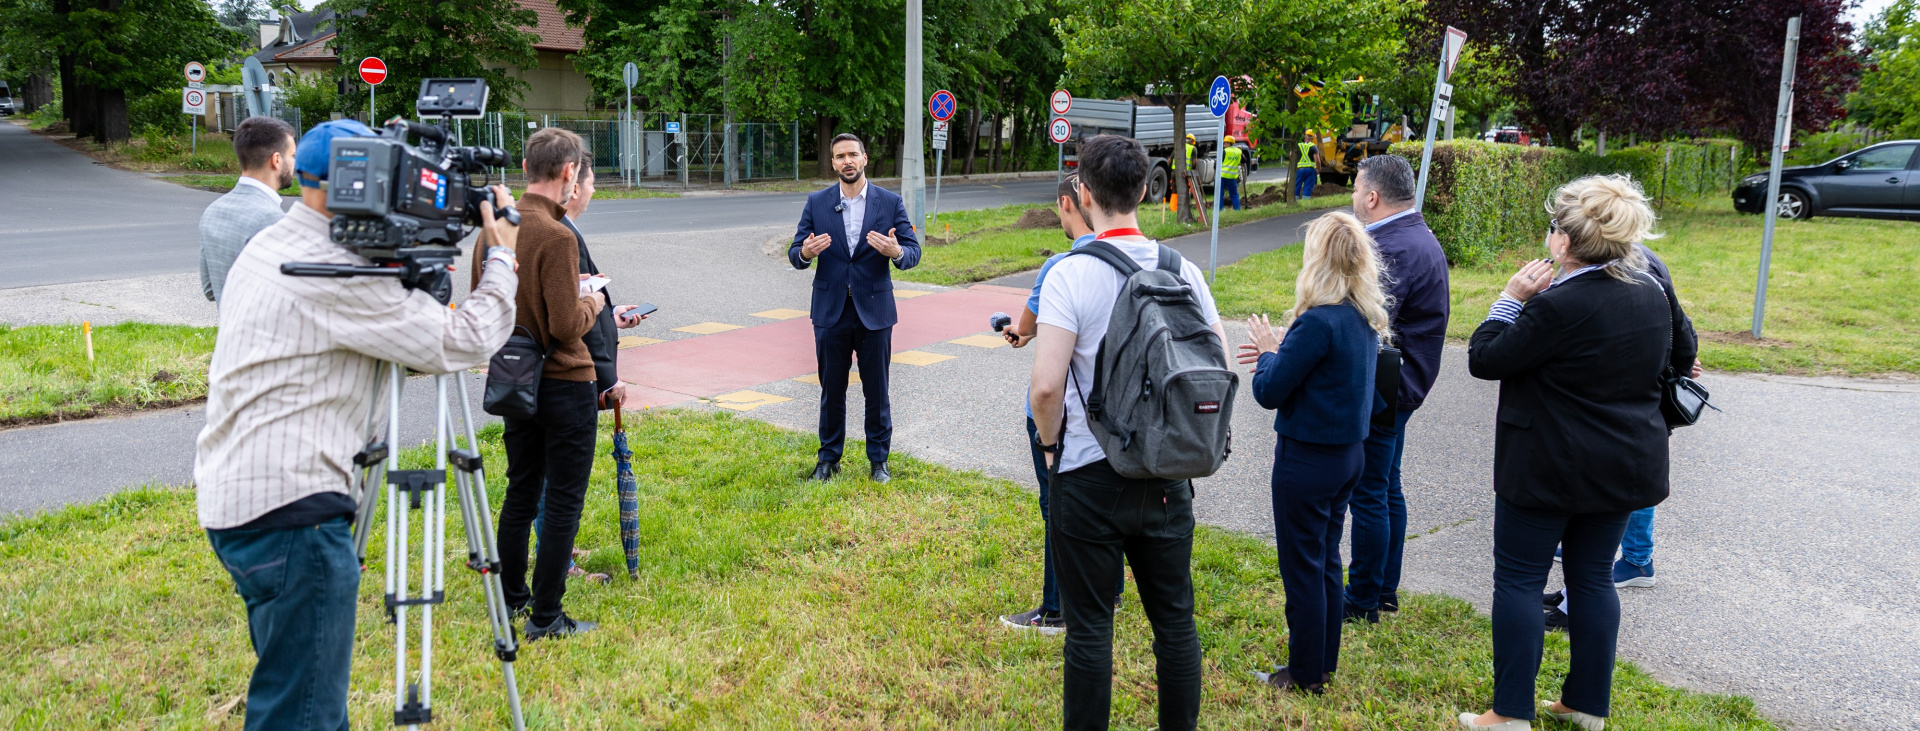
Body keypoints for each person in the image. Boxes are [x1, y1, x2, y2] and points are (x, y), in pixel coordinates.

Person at [195, 119, 521, 730]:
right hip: (291, 516)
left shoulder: (274, 242)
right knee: (304, 713)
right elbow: (466, 338)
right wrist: (500, 252)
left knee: (295, 687)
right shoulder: (335, 270)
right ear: (343, 182)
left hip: (240, 500)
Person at [1458, 174, 1697, 730]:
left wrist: (1510, 299)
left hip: (1545, 465)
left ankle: (1511, 712)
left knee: (1518, 579)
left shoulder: (1556, 304)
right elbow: (1685, 354)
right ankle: (1587, 703)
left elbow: (1486, 357)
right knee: (1591, 578)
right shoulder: (1652, 289)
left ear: (1564, 242)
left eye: (1551, 229)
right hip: (1624, 461)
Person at [1030, 134, 1226, 730]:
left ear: (1084, 195)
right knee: (1174, 621)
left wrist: (1050, 447)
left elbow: (1045, 388)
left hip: (1089, 472)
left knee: (1090, 625)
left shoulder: (1070, 273)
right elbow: (1217, 364)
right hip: (1167, 472)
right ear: (1145, 190)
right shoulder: (1183, 269)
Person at [1238, 211, 1394, 693]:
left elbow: (1270, 392)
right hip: (1348, 456)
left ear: (1316, 260)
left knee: (1303, 568)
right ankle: (1321, 662)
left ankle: (1304, 675)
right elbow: (1326, 371)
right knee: (1326, 559)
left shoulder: (1318, 321)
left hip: (1307, 461)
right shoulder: (1361, 316)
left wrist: (1268, 352)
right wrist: (1286, 349)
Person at [483, 127, 607, 642]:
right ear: (568, 173)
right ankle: (547, 615)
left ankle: (514, 598)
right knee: (561, 502)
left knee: (520, 490)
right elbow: (564, 324)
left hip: (513, 376)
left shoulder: (497, 229)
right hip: (563, 381)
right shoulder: (558, 236)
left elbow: (485, 300)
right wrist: (593, 303)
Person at [998, 173, 1122, 634]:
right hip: (1115, 413)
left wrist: (1048, 439)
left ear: (1071, 204)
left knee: (1059, 509)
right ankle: (1111, 593)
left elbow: (1028, 331)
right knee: (1112, 503)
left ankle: (1056, 609)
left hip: (1066, 418)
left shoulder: (1060, 268)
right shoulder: (1141, 261)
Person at [527, 151, 652, 585]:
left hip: (539, 370)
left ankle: (554, 543)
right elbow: (570, 316)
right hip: (565, 374)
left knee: (544, 471)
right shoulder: (563, 234)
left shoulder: (555, 228)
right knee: (557, 476)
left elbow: (569, 304)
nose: (595, 189)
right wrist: (610, 379)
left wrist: (612, 317)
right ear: (573, 184)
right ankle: (557, 560)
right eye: (593, 182)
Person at [1341, 155, 1451, 623]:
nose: (1352, 197)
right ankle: (1384, 589)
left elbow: (1365, 319)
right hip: (1403, 381)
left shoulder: (1391, 247)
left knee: (1369, 493)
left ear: (1372, 197)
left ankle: (1364, 597)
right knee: (1387, 488)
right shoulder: (1412, 235)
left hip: (1386, 385)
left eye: (1355, 189)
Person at [790, 133, 922, 483]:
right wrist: (805, 253)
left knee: (876, 390)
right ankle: (828, 459)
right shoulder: (817, 202)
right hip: (830, 310)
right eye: (839, 156)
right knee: (831, 388)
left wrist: (896, 253)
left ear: (865, 158)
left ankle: (878, 461)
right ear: (833, 164)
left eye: (852, 154)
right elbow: (795, 253)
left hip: (874, 310)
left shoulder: (889, 202)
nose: (846, 161)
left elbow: (913, 250)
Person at [198, 115, 295, 304]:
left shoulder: (213, 210)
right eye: (292, 155)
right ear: (276, 160)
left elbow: (210, 289)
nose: (294, 163)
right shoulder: (271, 218)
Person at [1219, 135, 1244, 211]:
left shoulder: (1225, 151)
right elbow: (1244, 161)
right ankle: (1237, 209)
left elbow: (1218, 163)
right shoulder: (1239, 151)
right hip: (1232, 177)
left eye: (1225, 143)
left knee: (1220, 194)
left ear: (1230, 143)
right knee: (1234, 194)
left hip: (1222, 176)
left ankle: (1220, 209)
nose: (1224, 145)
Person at [1295, 131, 1320, 200]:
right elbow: (1317, 160)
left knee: (1297, 185)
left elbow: (1291, 155)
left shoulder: (1298, 145)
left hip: (1300, 169)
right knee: (1308, 186)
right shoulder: (1314, 147)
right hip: (1310, 170)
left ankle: (1294, 200)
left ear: (1304, 138)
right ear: (1312, 138)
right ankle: (1305, 202)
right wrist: (1318, 169)